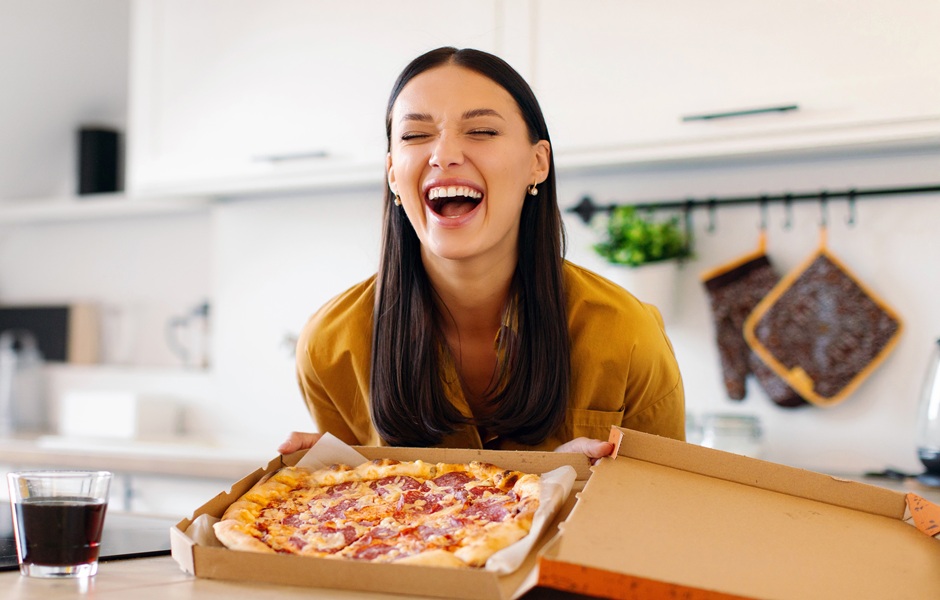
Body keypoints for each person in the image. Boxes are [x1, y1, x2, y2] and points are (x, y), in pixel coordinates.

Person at [279, 47, 685, 461]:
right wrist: (337, 490)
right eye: (415, 135)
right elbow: (365, 513)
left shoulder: (627, 335)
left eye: (482, 131)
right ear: (392, 174)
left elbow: (667, 510)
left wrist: (580, 491)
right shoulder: (329, 347)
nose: (443, 154)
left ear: (538, 163)